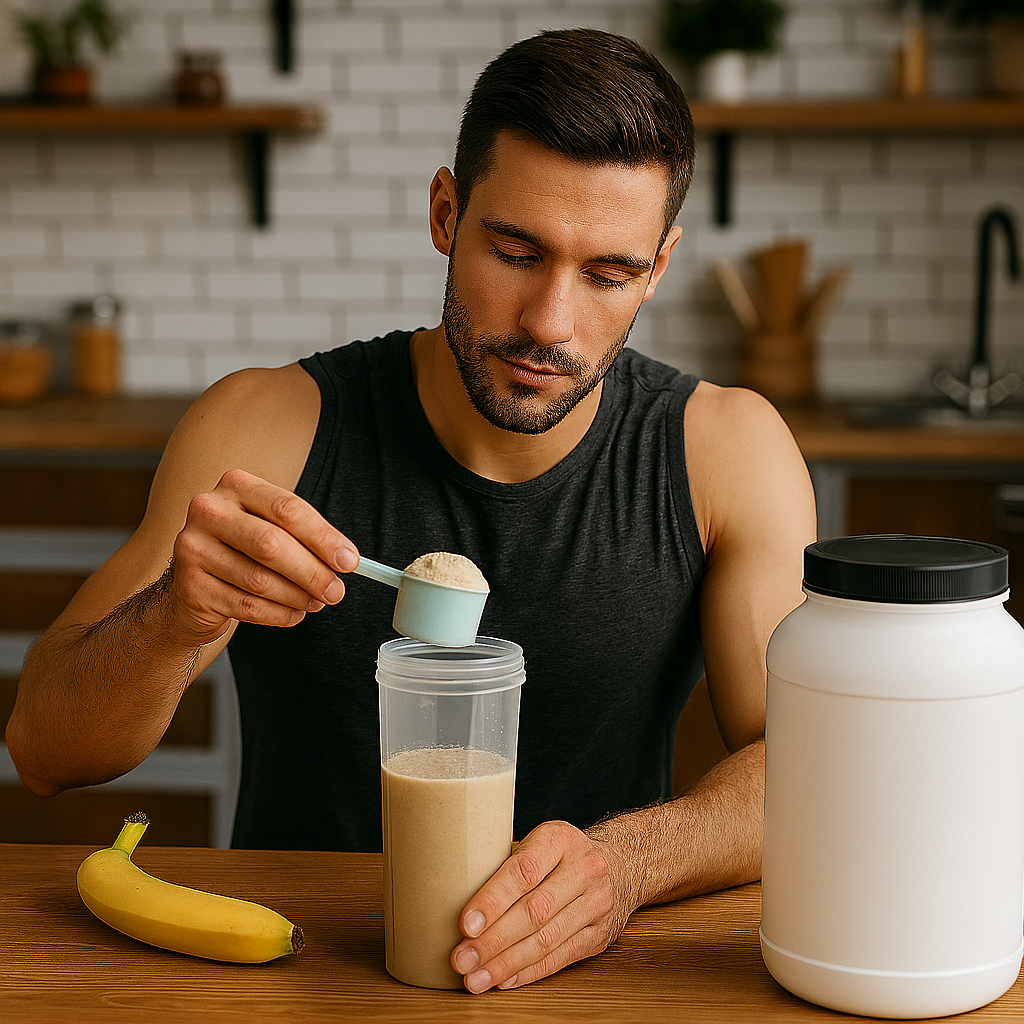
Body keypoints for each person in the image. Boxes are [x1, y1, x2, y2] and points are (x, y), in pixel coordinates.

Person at [6, 28, 815, 994]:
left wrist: (628, 867)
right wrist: (177, 615)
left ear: (659, 266)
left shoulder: (725, 450)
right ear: (445, 212)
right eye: (515, 251)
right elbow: (44, 751)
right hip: (291, 972)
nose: (551, 322)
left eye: (607, 274)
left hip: (594, 984)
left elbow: (805, 767)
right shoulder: (267, 428)